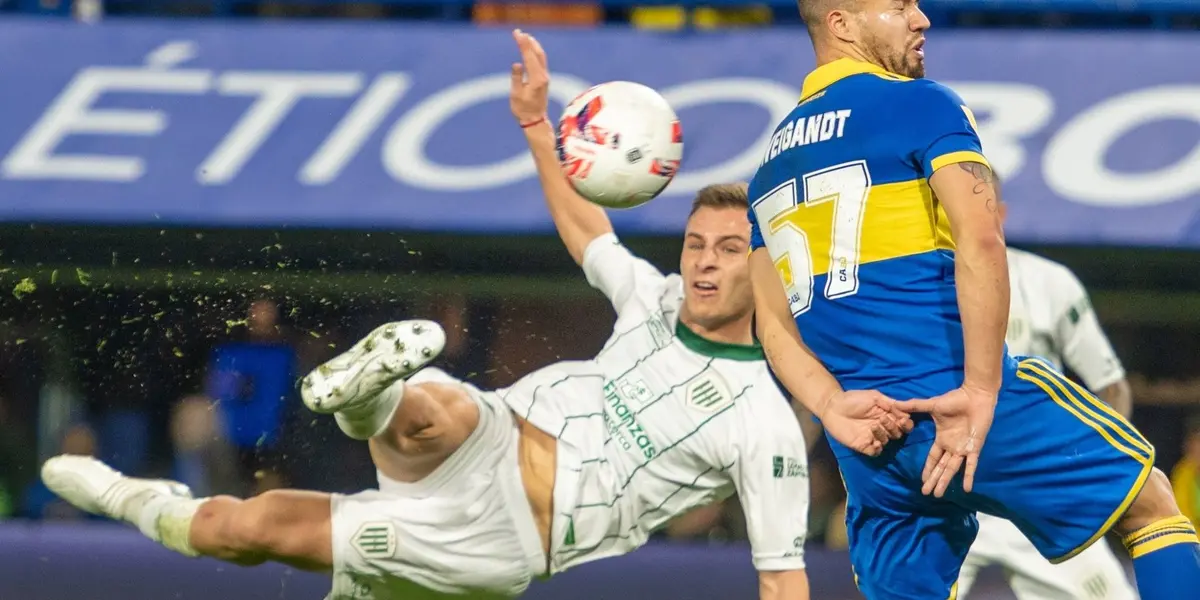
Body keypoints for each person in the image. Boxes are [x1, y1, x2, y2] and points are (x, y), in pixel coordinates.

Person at [36, 30, 908, 600]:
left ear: (767, 269)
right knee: (439, 398)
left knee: (242, 529)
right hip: (493, 430)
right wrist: (536, 124)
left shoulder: (763, 417)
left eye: (727, 251)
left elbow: (783, 575)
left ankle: (131, 494)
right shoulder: (656, 297)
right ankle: (373, 388)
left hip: (499, 536)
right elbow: (586, 230)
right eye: (696, 243)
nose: (704, 261)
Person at [744, 1, 1200, 599]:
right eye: (899, 5)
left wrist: (830, 407)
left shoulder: (766, 168)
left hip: (871, 446)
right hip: (960, 402)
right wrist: (982, 390)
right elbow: (981, 240)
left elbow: (771, 328)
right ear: (841, 23)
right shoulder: (920, 103)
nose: (922, 17)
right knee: (1152, 505)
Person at [957, 201, 1137, 599]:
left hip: (1038, 489)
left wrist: (1092, 471)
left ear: (998, 212)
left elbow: (1111, 385)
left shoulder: (1048, 282)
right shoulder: (911, 290)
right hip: (948, 495)